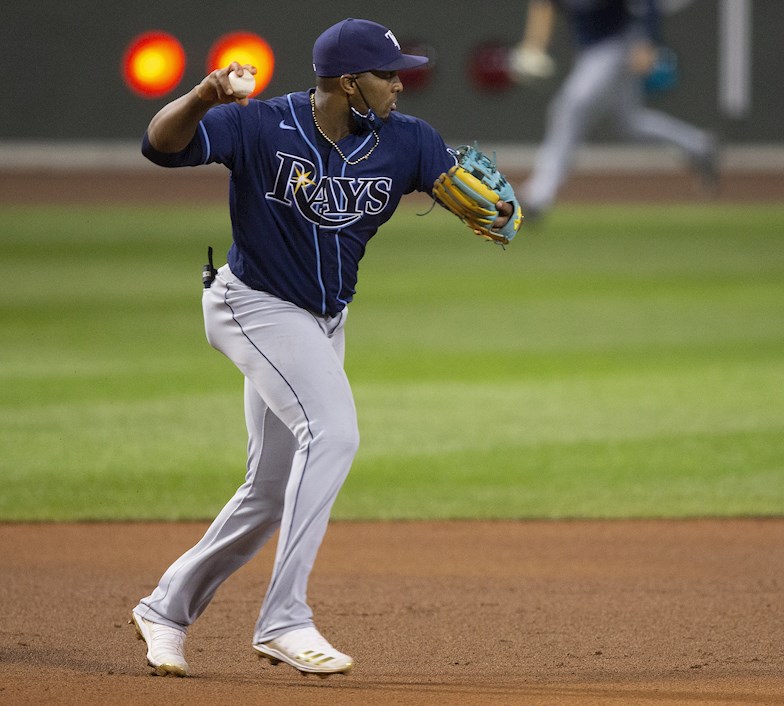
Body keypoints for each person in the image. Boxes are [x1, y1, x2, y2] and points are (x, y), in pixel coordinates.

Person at [128, 17, 516, 678]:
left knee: (267, 493)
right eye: (387, 75)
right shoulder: (260, 125)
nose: (400, 85)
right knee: (333, 433)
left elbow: (483, 206)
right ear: (345, 82)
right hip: (251, 305)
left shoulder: (408, 141)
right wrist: (201, 98)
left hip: (322, 325)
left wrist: (497, 209)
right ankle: (284, 619)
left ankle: (165, 610)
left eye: (402, 73)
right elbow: (160, 146)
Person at [511, 0, 719, 216]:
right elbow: (543, 7)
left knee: (569, 109)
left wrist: (648, 40)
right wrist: (533, 46)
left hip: (619, 42)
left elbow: (648, 3)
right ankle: (699, 144)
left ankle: (538, 194)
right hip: (591, 49)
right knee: (631, 123)